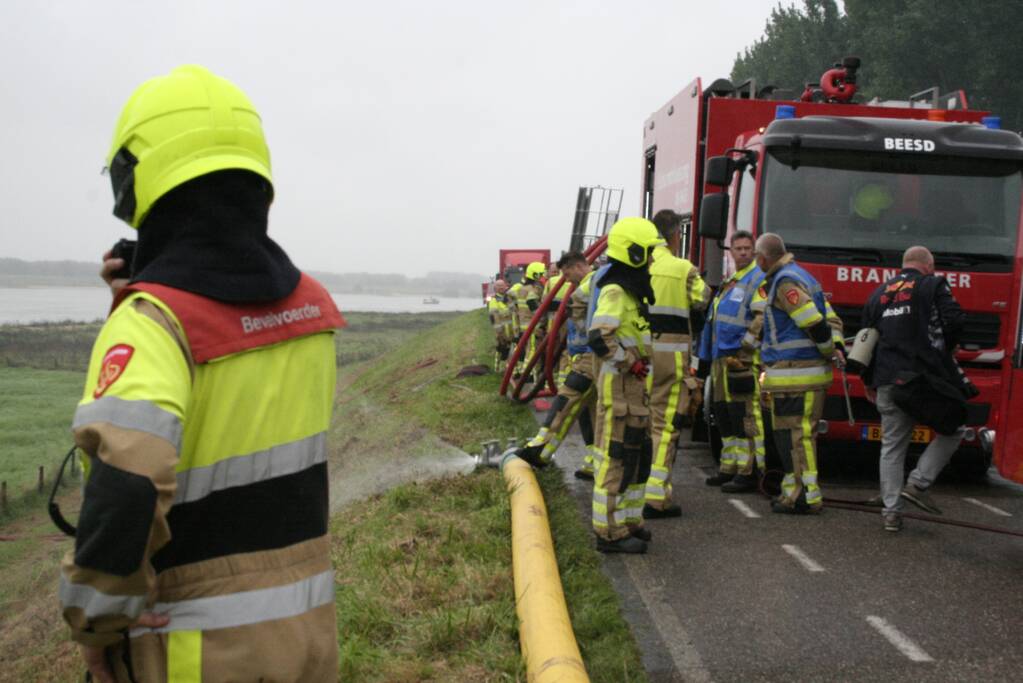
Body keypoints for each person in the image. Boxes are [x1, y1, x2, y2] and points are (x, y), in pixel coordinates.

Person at [59, 65, 342, 682]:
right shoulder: (311, 309)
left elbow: (129, 485)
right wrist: (156, 278)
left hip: (194, 649)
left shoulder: (155, 323)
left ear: (139, 180)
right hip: (308, 632)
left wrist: (97, 625)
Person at [861, 245, 968, 532]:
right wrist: (949, 344)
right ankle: (919, 483)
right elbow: (955, 318)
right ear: (929, 266)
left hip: (887, 380)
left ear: (903, 265)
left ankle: (891, 514)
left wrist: (869, 380)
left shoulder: (879, 293)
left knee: (892, 447)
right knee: (955, 427)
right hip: (923, 380)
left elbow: (866, 341)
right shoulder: (932, 284)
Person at [746, 233, 844, 514]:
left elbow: (813, 321)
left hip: (796, 374)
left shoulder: (785, 282)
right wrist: (835, 347)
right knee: (799, 437)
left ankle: (803, 495)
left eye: (756, 256)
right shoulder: (805, 278)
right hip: (802, 374)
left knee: (796, 437)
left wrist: (827, 350)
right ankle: (796, 491)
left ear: (763, 258)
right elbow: (832, 319)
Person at [588, 217, 663, 553]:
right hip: (619, 391)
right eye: (647, 253)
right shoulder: (616, 290)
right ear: (633, 253)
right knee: (615, 458)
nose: (651, 260)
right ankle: (608, 533)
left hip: (635, 391)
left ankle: (631, 520)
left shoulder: (632, 291)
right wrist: (628, 361)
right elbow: (598, 338)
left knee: (639, 456)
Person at [642, 210, 710, 519]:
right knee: (665, 424)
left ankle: (633, 487)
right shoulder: (682, 268)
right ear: (675, 236)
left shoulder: (638, 264)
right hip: (671, 358)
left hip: (637, 357)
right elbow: (702, 299)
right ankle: (656, 497)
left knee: (637, 421)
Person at [512, 252, 599, 473]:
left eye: (567, 273)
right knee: (592, 414)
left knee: (566, 398)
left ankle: (540, 448)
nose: (566, 279)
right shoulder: (590, 284)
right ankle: (592, 460)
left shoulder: (593, 284)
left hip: (590, 357)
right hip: (585, 355)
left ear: (578, 266)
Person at [698, 230, 766, 493]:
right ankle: (730, 466)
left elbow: (760, 319)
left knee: (745, 417)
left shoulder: (757, 280)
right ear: (731, 251)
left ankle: (749, 470)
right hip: (720, 360)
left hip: (740, 361)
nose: (743, 253)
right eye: (738, 248)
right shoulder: (731, 281)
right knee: (724, 416)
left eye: (748, 248)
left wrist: (745, 349)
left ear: (755, 252)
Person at [487, 279, 513, 369]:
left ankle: (508, 367)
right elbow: (493, 317)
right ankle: (498, 367)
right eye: (499, 286)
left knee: (510, 348)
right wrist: (499, 332)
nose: (501, 287)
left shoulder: (509, 298)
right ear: (495, 288)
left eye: (502, 285)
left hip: (511, 330)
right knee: (501, 348)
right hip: (502, 330)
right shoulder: (494, 300)